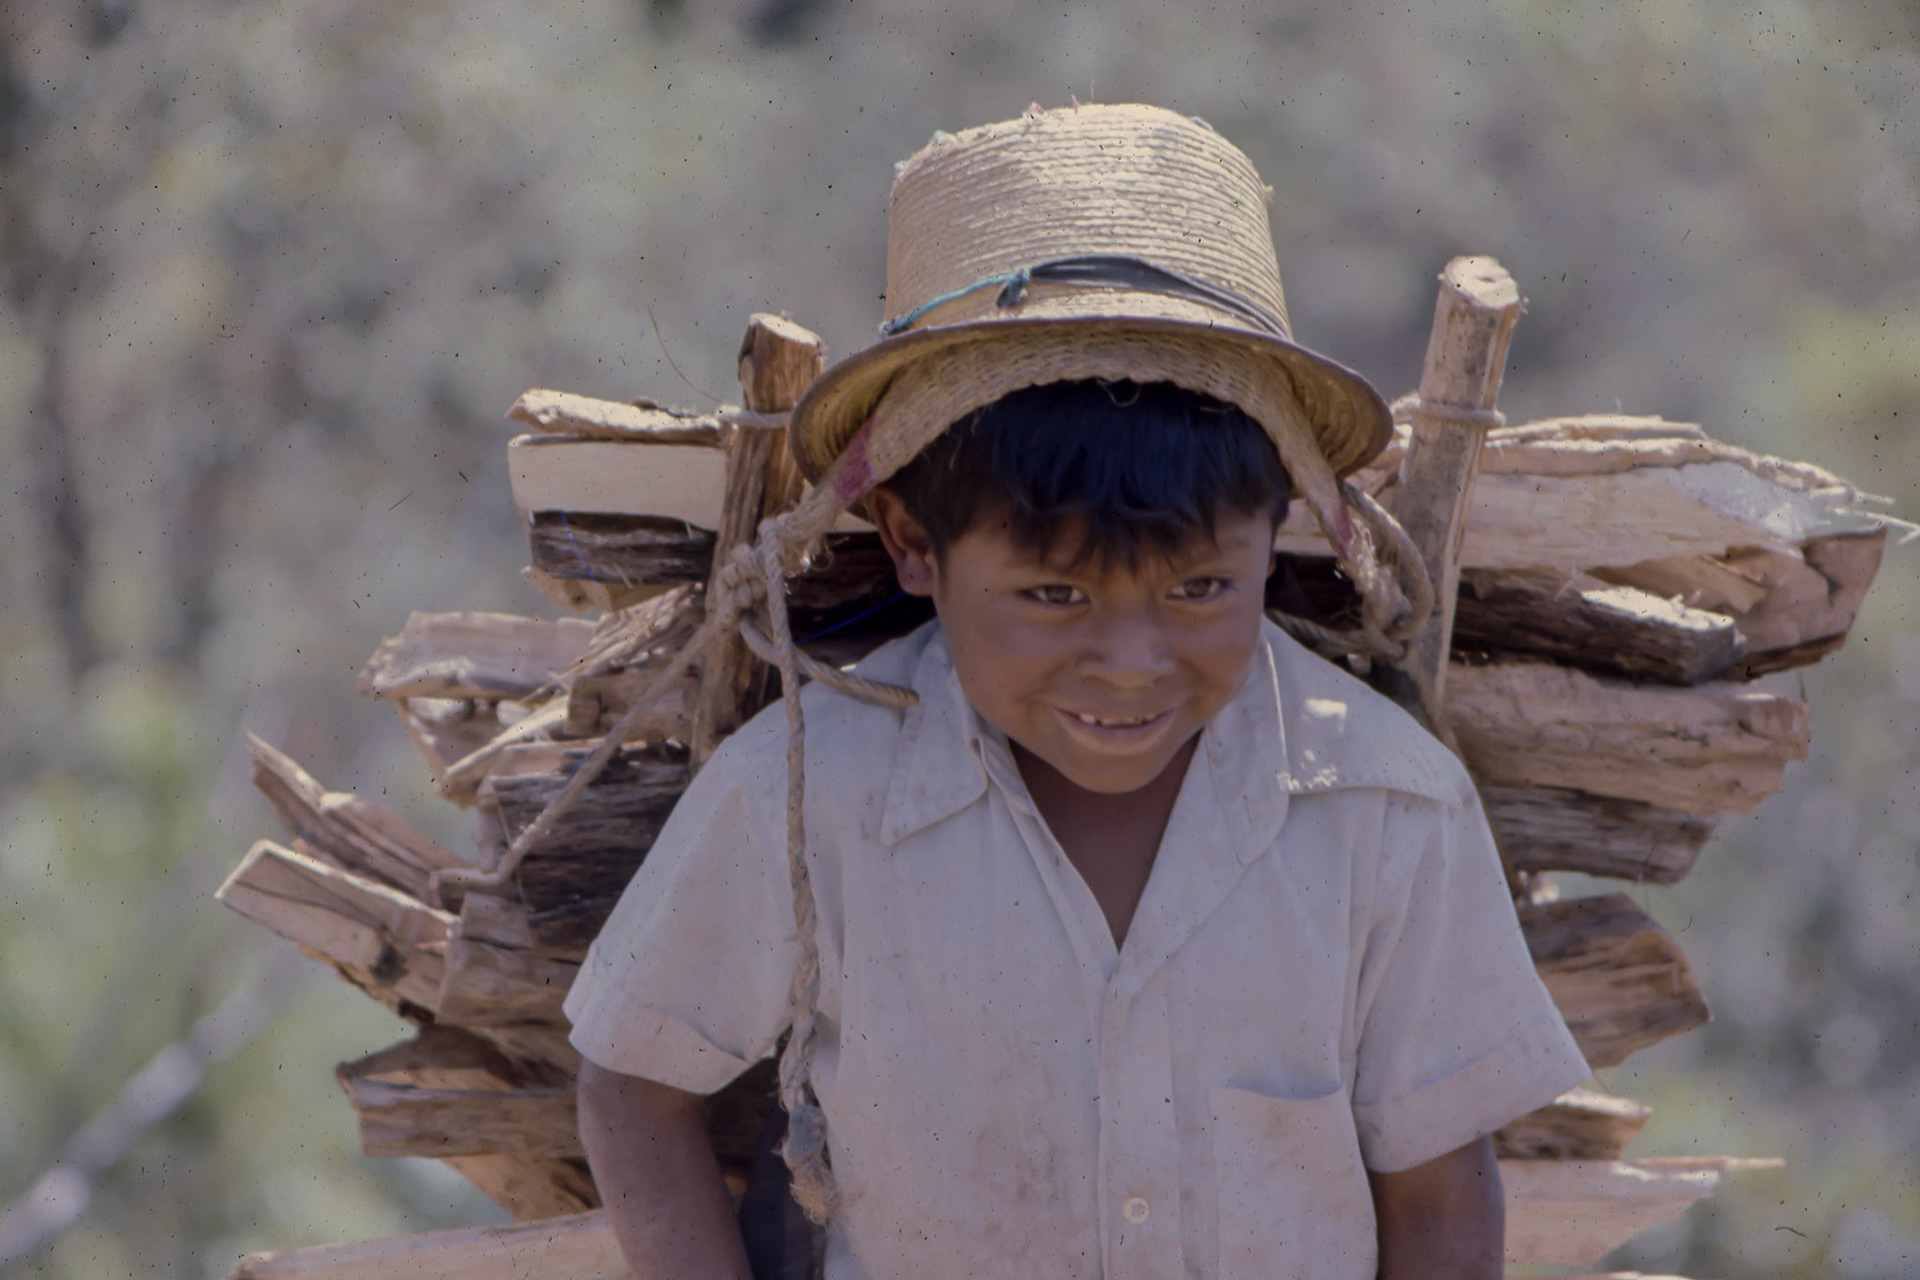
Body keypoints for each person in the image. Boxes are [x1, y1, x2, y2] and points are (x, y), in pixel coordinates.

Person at [564, 103, 1590, 1280]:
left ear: (1281, 529)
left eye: (1201, 585)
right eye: (1052, 596)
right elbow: (633, 1078)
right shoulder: (811, 793)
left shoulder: (1388, 807)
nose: (1131, 662)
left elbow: (1439, 1196)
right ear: (911, 542)